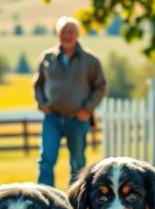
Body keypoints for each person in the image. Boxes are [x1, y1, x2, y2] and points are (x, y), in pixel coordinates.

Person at [34, 16, 107, 186]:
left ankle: (74, 201)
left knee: (77, 163)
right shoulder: (47, 58)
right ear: (58, 34)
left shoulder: (91, 61)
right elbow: (38, 84)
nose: (67, 35)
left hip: (77, 118)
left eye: (70, 32)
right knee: (46, 159)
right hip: (52, 118)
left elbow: (100, 87)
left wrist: (87, 110)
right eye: (63, 32)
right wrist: (41, 103)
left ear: (77, 34)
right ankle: (44, 198)